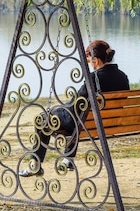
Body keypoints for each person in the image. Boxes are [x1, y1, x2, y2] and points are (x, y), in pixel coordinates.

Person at [19, 40, 130, 177]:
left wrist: (56, 109)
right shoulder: (123, 77)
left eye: (89, 59)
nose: (89, 62)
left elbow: (75, 107)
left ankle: (34, 165)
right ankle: (68, 159)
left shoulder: (94, 78)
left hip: (86, 123)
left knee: (42, 119)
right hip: (109, 123)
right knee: (78, 117)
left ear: (95, 59)